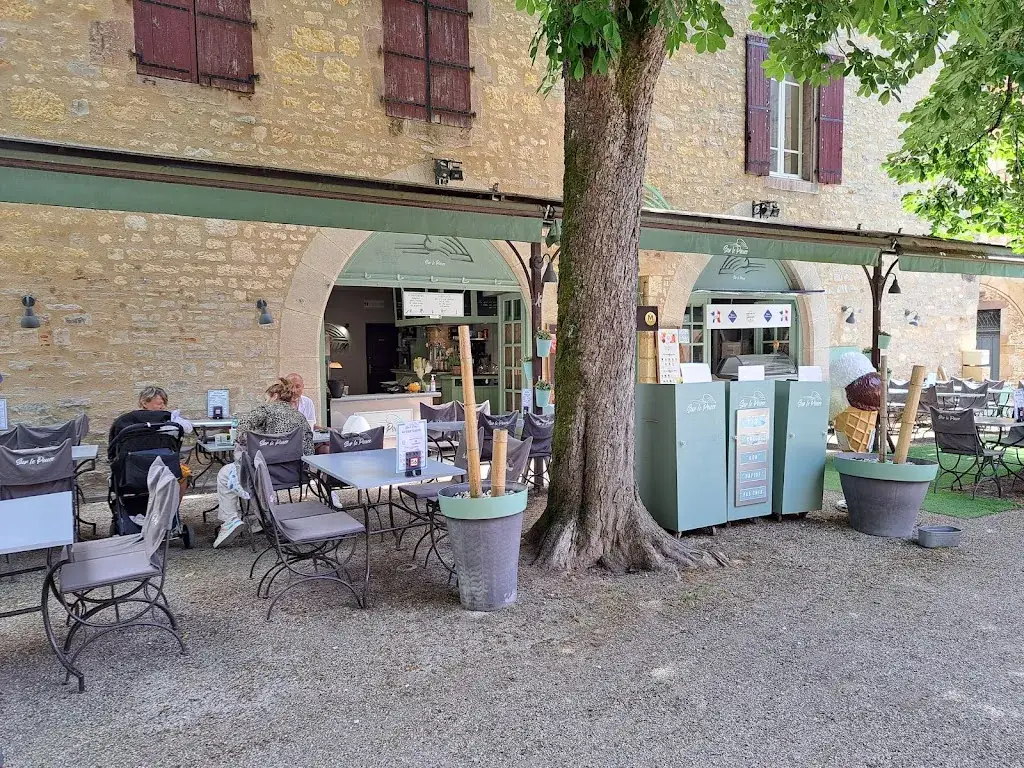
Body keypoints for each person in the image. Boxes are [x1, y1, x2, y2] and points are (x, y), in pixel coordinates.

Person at [213, 378, 314, 548]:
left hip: (263, 476)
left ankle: (230, 520)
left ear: (274, 396)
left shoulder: (265, 411)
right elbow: (309, 447)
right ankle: (262, 517)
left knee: (225, 473)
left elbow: (241, 432)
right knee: (243, 470)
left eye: (267, 397)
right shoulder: (301, 417)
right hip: (294, 475)